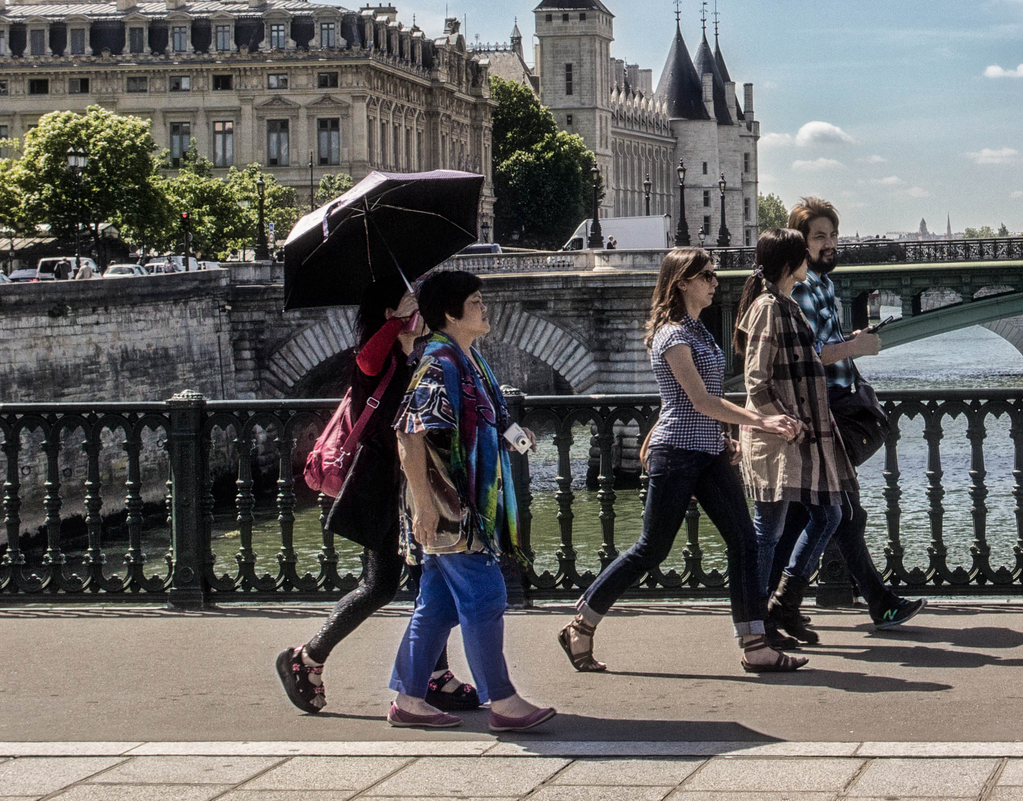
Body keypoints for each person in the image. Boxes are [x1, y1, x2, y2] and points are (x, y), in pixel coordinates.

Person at [559, 248, 807, 676]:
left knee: (745, 542)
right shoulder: (672, 335)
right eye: (707, 275)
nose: (715, 282)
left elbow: (710, 402)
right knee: (651, 549)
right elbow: (699, 400)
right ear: (682, 282)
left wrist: (726, 436)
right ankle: (581, 624)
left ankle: (754, 645)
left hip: (707, 451)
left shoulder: (699, 331)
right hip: (676, 453)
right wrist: (761, 421)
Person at [276, 284, 479, 716]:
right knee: (381, 584)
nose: (418, 307)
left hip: (411, 487)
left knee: (426, 582)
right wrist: (394, 322)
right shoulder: (376, 363)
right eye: (408, 301)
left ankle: (433, 673)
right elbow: (368, 360)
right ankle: (307, 657)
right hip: (381, 489)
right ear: (389, 310)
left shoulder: (415, 359)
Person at [388, 270, 554, 732]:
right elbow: (408, 433)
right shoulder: (439, 362)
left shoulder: (469, 360)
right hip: (449, 507)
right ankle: (502, 701)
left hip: (461, 506)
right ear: (450, 313)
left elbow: (486, 420)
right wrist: (423, 506)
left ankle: (408, 699)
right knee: (486, 595)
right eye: (477, 301)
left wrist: (518, 438)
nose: (485, 308)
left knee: (437, 605)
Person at [763, 198, 926, 640]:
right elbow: (806, 356)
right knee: (840, 512)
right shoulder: (799, 288)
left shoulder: (822, 285)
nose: (831, 243)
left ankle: (771, 607)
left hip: (828, 408)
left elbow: (824, 344)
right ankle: (784, 606)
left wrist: (850, 340)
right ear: (801, 241)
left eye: (833, 235)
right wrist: (854, 349)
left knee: (812, 515)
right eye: (820, 236)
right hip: (821, 412)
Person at [735, 228, 870, 650]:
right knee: (770, 531)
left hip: (806, 437)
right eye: (804, 257)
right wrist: (782, 419)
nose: (810, 262)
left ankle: (783, 603)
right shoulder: (767, 308)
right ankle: (760, 618)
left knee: (828, 514)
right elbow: (755, 380)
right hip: (780, 440)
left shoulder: (786, 304)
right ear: (792, 262)